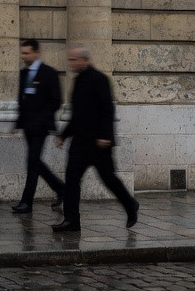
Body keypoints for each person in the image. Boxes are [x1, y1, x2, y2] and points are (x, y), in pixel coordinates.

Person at [52, 46, 139, 233]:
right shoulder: (78, 81)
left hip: (99, 143)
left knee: (109, 179)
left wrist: (106, 136)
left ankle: (130, 204)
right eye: (70, 60)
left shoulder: (99, 79)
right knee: (72, 180)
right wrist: (63, 135)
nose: (71, 64)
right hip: (80, 142)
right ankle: (72, 221)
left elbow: (108, 109)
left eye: (74, 60)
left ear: (84, 60)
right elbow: (77, 114)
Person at [11, 38, 65, 213]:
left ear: (36, 53)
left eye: (27, 53)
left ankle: (27, 202)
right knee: (34, 162)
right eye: (23, 53)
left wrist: (43, 118)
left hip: (41, 126)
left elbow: (56, 100)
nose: (24, 57)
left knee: (32, 161)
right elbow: (22, 100)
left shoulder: (49, 73)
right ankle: (61, 189)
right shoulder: (24, 74)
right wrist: (18, 123)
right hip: (28, 125)